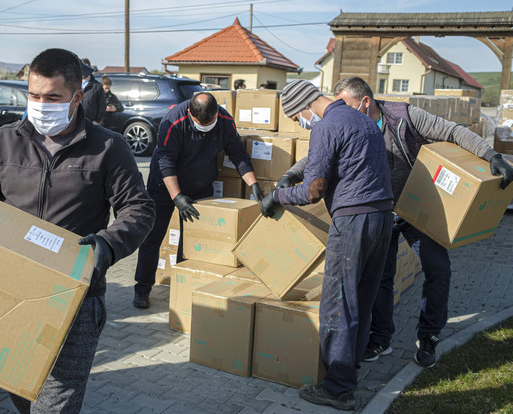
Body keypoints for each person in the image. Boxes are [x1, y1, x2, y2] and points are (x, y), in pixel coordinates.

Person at [0, 48, 155, 413]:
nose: (41, 105)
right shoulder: (3, 140)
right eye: (34, 96)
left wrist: (105, 246)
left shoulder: (107, 147)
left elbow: (139, 208)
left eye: (52, 97)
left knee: (54, 405)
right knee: (18, 389)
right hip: (8, 293)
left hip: (73, 300)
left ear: (76, 97)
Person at [320, 76, 513, 368]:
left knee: (438, 269)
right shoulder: (348, 125)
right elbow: (319, 158)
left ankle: (429, 336)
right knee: (382, 279)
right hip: (380, 213)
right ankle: (380, 338)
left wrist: (492, 155)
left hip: (415, 209)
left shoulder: (404, 117)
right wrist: (291, 178)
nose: (341, 112)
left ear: (365, 102)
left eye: (345, 104)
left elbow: (453, 131)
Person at [261, 79, 394, 411]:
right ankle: (350, 369)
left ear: (305, 108)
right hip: (382, 217)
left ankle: (337, 388)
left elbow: (313, 191)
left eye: (296, 118)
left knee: (338, 302)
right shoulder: (364, 120)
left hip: (352, 223)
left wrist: (277, 195)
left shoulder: (326, 127)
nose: (299, 123)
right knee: (362, 298)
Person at [132, 92, 264, 309]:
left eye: (209, 122)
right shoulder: (173, 121)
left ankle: (185, 287)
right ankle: (142, 288)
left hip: (199, 185)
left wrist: (254, 184)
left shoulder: (225, 121)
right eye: (199, 123)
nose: (205, 126)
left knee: (192, 243)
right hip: (165, 185)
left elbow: (238, 154)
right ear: (190, 113)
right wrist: (177, 196)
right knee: (152, 237)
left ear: (215, 114)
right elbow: (165, 160)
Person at [79, 58, 106, 124]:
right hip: (77, 124)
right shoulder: (74, 85)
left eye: (86, 66)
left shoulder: (97, 86)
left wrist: (97, 121)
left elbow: (102, 105)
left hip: (91, 123)